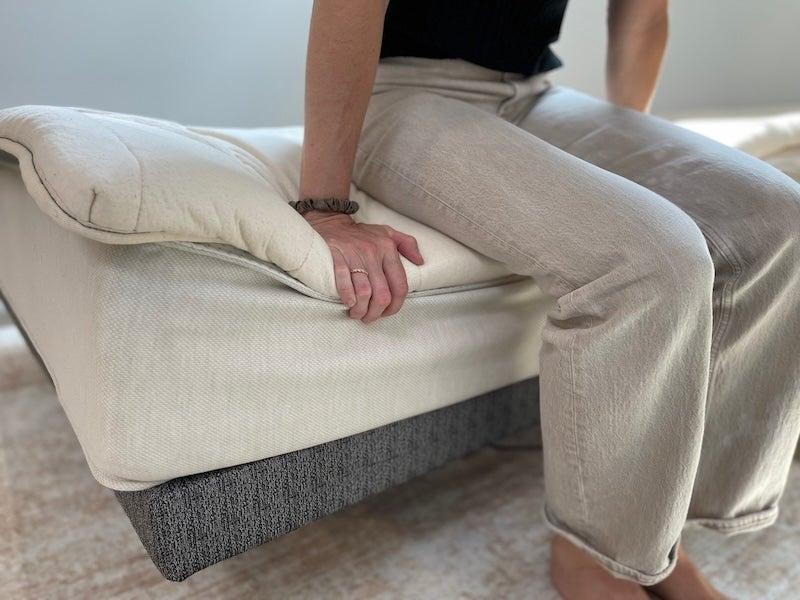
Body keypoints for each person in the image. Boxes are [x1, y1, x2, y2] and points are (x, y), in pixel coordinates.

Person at [292, 1, 800, 598]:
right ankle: (595, 550)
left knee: (777, 219)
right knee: (653, 262)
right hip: (400, 94)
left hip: (532, 94)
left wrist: (621, 187)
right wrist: (325, 208)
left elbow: (641, 14)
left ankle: (658, 532)